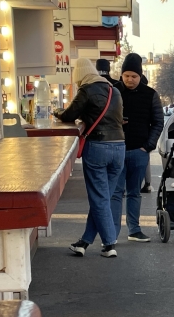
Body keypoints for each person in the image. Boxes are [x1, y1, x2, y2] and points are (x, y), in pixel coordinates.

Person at [54, 58, 125, 258]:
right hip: (119, 147)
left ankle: (109, 244)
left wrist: (57, 111)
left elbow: (69, 115)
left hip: (98, 148)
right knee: (102, 198)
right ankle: (84, 242)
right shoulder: (115, 91)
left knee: (99, 198)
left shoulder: (86, 90)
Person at [110, 53, 164, 242]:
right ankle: (112, 234)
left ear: (140, 76)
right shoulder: (113, 91)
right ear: (121, 75)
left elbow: (158, 122)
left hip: (139, 151)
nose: (130, 80)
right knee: (116, 194)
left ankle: (134, 230)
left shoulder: (150, 95)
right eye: (127, 76)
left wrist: (148, 146)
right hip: (116, 151)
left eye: (134, 76)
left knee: (134, 193)